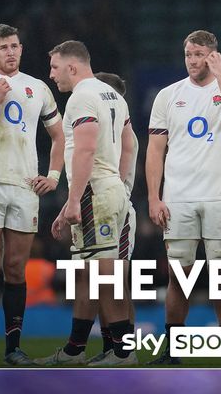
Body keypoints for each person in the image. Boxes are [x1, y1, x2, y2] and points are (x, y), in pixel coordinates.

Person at [0, 24, 64, 366]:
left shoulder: (38, 88)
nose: (11, 52)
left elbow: (59, 136)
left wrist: (53, 175)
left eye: (15, 46)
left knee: (16, 268)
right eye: (4, 47)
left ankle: (14, 347)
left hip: (24, 186)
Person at [146, 30, 221, 365]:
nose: (193, 61)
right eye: (189, 54)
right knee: (180, 275)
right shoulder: (168, 95)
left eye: (200, 55)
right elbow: (155, 151)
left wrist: (220, 74)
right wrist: (153, 196)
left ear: (213, 56)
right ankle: (173, 349)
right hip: (178, 197)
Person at [34, 70, 138, 366]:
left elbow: (90, 152)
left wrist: (97, 191)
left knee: (111, 278)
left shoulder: (96, 115)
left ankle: (121, 349)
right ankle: (81, 348)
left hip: (106, 198)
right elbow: (127, 149)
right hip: (106, 196)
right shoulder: (118, 127)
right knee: (90, 276)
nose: (52, 73)